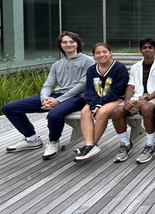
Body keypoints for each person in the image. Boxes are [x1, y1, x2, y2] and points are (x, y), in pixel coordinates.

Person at [3, 31, 95, 160]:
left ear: (77, 44)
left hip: (78, 97)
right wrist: (45, 99)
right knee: (9, 108)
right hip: (56, 95)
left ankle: (53, 141)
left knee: (54, 114)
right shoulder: (57, 64)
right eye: (65, 42)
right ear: (60, 45)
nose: (68, 44)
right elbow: (47, 85)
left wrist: (58, 100)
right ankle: (32, 139)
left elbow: (82, 85)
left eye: (71, 41)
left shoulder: (88, 61)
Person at [111, 38, 155, 164]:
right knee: (117, 111)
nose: (147, 50)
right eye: (144, 48)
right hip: (137, 95)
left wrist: (146, 99)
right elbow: (130, 86)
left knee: (146, 108)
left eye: (150, 47)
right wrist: (127, 100)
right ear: (141, 50)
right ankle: (125, 144)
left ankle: (150, 144)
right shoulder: (136, 66)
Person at [74, 43, 129, 161]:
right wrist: (94, 105)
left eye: (104, 52)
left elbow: (116, 90)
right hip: (96, 100)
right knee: (85, 111)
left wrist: (99, 105)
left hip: (116, 98)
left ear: (110, 52)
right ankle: (89, 144)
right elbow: (89, 91)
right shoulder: (91, 70)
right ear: (93, 55)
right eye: (97, 53)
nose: (101, 55)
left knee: (102, 112)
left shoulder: (119, 67)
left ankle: (92, 144)